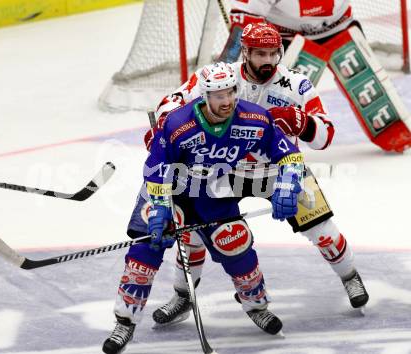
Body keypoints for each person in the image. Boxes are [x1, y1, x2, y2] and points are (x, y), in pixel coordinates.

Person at [147, 23, 369, 326]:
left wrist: (302, 121)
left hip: (282, 169)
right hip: (221, 169)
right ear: (246, 52)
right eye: (260, 53)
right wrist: (164, 126)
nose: (268, 60)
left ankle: (350, 276)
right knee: (193, 236)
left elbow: (325, 136)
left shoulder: (297, 85)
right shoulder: (218, 76)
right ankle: (183, 297)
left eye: (273, 53)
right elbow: (170, 103)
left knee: (323, 229)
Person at [102, 62, 305, 354]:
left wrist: (287, 182)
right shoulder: (178, 123)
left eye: (230, 92)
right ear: (204, 97)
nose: (227, 101)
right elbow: (156, 168)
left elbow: (288, 154)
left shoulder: (254, 117)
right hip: (171, 190)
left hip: (213, 190)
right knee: (146, 249)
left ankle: (256, 305)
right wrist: (160, 208)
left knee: (235, 243)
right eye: (218, 95)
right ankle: (125, 321)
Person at [221, 0, 411, 153]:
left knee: (384, 114)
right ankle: (256, 146)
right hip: (289, 37)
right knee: (276, 101)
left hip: (341, 26)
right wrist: (222, 75)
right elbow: (244, 25)